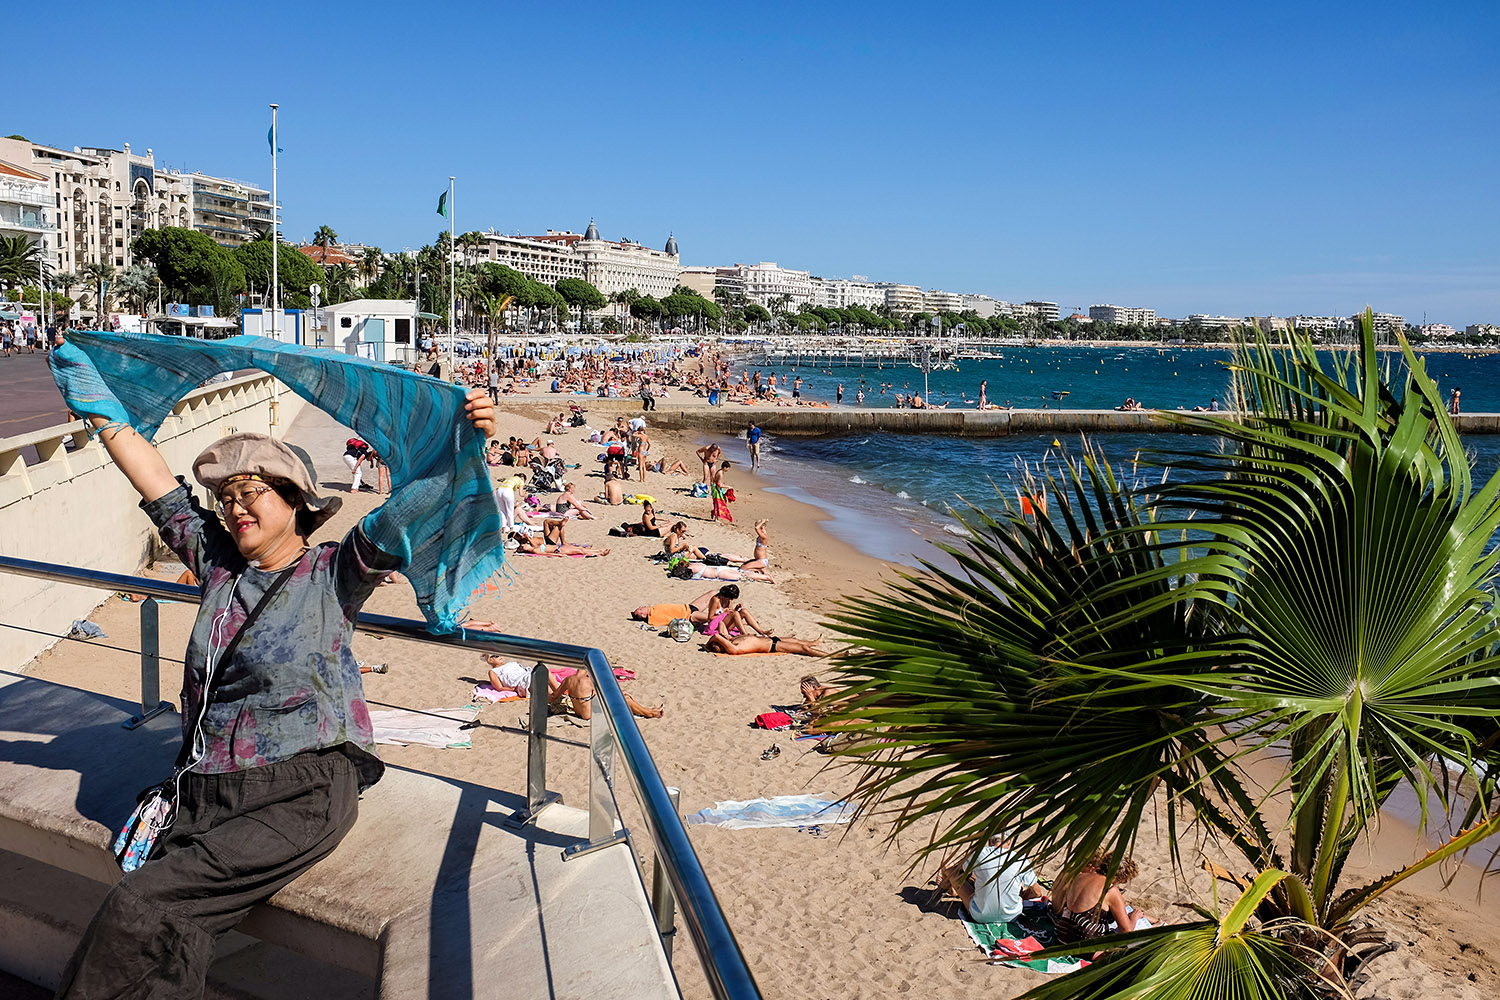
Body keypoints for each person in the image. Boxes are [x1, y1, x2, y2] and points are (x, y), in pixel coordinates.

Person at [47, 346, 497, 997]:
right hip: (207, 788)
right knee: (168, 933)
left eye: (251, 493)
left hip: (300, 786)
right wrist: (96, 398)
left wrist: (465, 444)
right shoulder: (218, 565)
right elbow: (150, 476)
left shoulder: (334, 571)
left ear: (294, 501)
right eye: (226, 497)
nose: (234, 508)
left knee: (144, 909)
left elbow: (409, 508)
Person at [481, 655, 660, 718]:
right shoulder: (588, 681)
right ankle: (648, 712)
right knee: (624, 697)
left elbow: (556, 695)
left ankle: (647, 711)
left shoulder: (570, 681)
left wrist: (550, 699)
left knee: (625, 696)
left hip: (579, 704)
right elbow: (498, 688)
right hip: (586, 713)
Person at [1051, 852, 1154, 948]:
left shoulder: (1080, 876)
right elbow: (1126, 932)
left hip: (1062, 935)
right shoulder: (1110, 890)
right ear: (1123, 878)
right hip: (1084, 945)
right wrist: (1134, 918)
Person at [940, 836, 1045, 924]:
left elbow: (961, 870)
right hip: (1012, 915)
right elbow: (1037, 892)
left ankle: (947, 887)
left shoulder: (979, 854)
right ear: (1010, 841)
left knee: (947, 865)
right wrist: (1020, 896)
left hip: (980, 915)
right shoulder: (1020, 858)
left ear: (989, 840)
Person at [704, 632, 825, 656]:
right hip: (772, 646)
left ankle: (816, 642)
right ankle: (832, 656)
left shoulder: (732, 642)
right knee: (802, 648)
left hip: (769, 639)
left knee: (797, 641)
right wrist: (707, 645)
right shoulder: (733, 649)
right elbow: (716, 636)